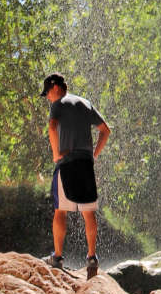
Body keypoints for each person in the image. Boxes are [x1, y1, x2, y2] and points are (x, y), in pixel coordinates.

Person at [40, 72, 110, 279]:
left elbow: (52, 127)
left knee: (60, 210)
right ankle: (91, 257)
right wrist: (93, 154)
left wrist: (55, 155)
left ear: (55, 87)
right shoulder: (85, 103)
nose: (48, 99)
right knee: (88, 212)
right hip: (86, 163)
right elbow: (105, 130)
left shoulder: (59, 103)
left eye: (47, 94)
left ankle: (58, 257)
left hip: (67, 162)